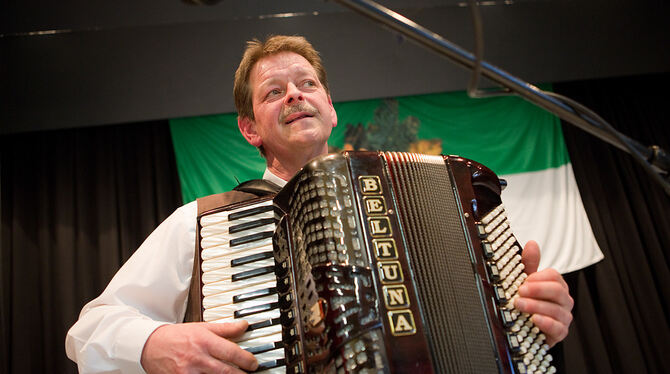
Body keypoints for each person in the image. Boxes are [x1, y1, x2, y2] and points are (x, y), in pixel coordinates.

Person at [66, 35, 573, 373]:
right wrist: (156, 345)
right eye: (273, 92)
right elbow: (91, 329)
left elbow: (503, 329)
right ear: (249, 129)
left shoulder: (445, 195)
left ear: (330, 108)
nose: (295, 96)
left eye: (307, 85)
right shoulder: (202, 224)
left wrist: (532, 322)